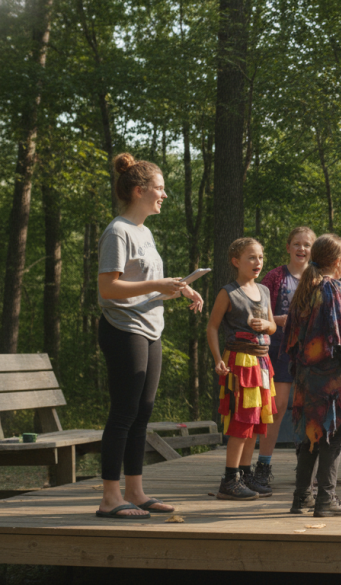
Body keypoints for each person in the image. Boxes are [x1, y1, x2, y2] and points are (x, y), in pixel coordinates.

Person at [95, 153, 203, 519]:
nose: (165, 195)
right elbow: (109, 288)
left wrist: (179, 289)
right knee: (124, 411)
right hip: (123, 328)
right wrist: (159, 283)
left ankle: (135, 491)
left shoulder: (145, 232)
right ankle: (110, 498)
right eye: (160, 188)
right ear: (140, 190)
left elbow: (142, 287)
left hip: (150, 327)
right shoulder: (118, 231)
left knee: (142, 413)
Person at [284, 234, 341, 516]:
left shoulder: (305, 289)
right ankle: (326, 500)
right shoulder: (336, 289)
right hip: (332, 379)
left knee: (310, 435)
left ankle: (301, 498)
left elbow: (293, 338)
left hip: (306, 378)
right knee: (332, 435)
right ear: (337, 262)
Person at [206, 237, 277, 500]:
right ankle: (230, 479)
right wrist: (217, 359)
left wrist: (266, 327)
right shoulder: (229, 292)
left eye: (260, 257)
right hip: (239, 363)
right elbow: (212, 327)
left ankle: (246, 475)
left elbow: (273, 326)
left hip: (262, 363)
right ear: (236, 262)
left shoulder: (265, 291)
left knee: (256, 421)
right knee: (241, 421)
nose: (257, 262)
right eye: (251, 257)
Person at [255, 226, 316, 492]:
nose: (302, 249)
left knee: (308, 410)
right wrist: (279, 321)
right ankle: (263, 466)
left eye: (307, 245)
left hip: (311, 353)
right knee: (277, 407)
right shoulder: (275, 276)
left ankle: (305, 467)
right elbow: (257, 310)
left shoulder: (318, 277)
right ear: (288, 247)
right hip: (279, 350)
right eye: (297, 244)